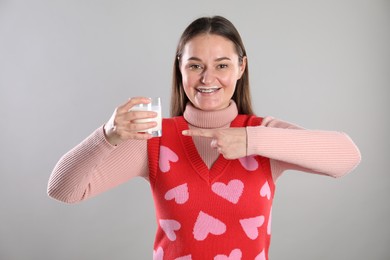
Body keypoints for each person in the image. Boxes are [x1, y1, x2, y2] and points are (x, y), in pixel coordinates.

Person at [48, 15, 361, 260]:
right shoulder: (154, 140)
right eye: (195, 65)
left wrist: (251, 140)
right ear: (180, 69)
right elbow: (63, 190)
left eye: (222, 65)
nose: (208, 78)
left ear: (241, 67)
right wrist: (107, 136)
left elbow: (347, 157)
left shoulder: (265, 135)